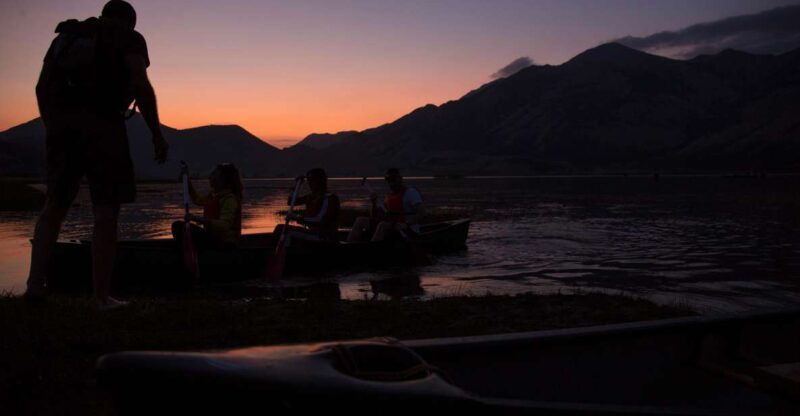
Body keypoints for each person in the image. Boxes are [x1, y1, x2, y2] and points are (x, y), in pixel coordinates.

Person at [25, 0, 168, 309]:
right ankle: (101, 297)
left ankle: (35, 285)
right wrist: (156, 134)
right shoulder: (129, 37)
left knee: (54, 204)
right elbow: (140, 84)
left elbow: (40, 87)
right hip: (105, 126)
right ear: (129, 21)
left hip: (62, 127)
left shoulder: (67, 36)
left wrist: (55, 124)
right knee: (106, 211)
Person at [172, 163, 243, 248]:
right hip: (213, 238)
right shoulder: (213, 196)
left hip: (225, 243)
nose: (210, 177)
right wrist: (187, 181)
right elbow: (197, 199)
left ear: (223, 180)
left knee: (181, 227)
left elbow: (224, 225)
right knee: (177, 226)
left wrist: (196, 219)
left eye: (214, 175)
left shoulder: (230, 199)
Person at [347, 168, 424, 243]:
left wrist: (406, 224)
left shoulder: (410, 193)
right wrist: (374, 203)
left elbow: (421, 213)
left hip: (407, 231)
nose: (391, 183)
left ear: (400, 179)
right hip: (392, 227)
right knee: (360, 220)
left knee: (382, 225)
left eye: (393, 179)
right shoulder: (389, 196)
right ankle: (349, 244)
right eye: (389, 180)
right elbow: (375, 216)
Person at [277, 168, 340, 243]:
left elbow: (319, 220)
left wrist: (297, 218)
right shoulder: (311, 197)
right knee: (280, 228)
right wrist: (297, 186)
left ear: (320, 181)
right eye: (309, 181)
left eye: (312, 181)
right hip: (312, 233)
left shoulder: (329, 198)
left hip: (323, 237)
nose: (310, 184)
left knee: (284, 230)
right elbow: (291, 202)